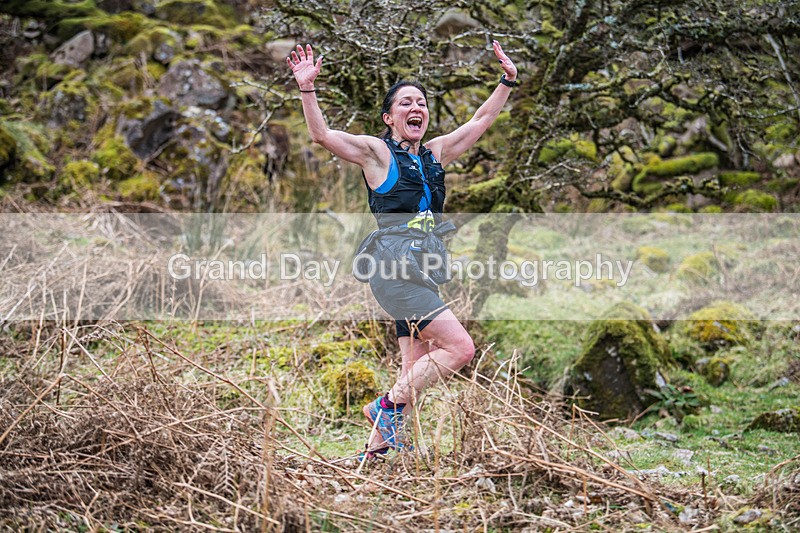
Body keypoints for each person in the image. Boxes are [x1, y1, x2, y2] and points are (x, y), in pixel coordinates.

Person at [287, 41, 518, 459]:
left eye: (422, 103)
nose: (417, 108)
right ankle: (384, 408)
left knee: (414, 370)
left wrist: (507, 81)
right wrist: (307, 89)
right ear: (389, 117)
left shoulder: (435, 152)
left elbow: (481, 120)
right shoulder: (377, 153)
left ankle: (374, 456)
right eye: (406, 103)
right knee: (459, 349)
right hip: (393, 272)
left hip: (423, 269)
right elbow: (321, 135)